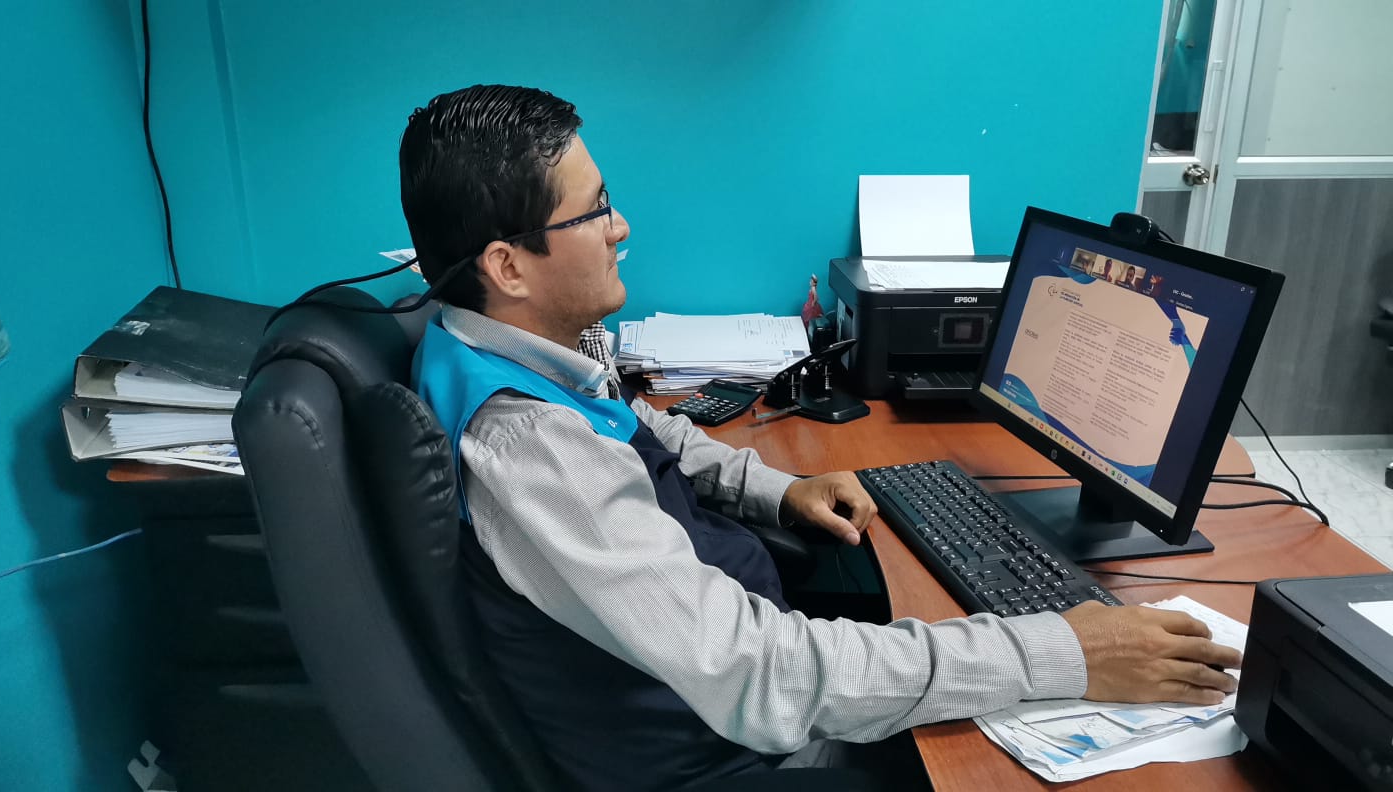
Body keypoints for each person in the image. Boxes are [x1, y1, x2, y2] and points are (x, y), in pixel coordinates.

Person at [402, 85, 1240, 791]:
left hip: (732, 693)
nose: (620, 227)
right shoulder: (532, 448)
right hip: (730, 757)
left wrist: (779, 488)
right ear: (509, 266)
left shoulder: (504, 349)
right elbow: (764, 676)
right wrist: (1062, 650)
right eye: (594, 212)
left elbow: (637, 423)